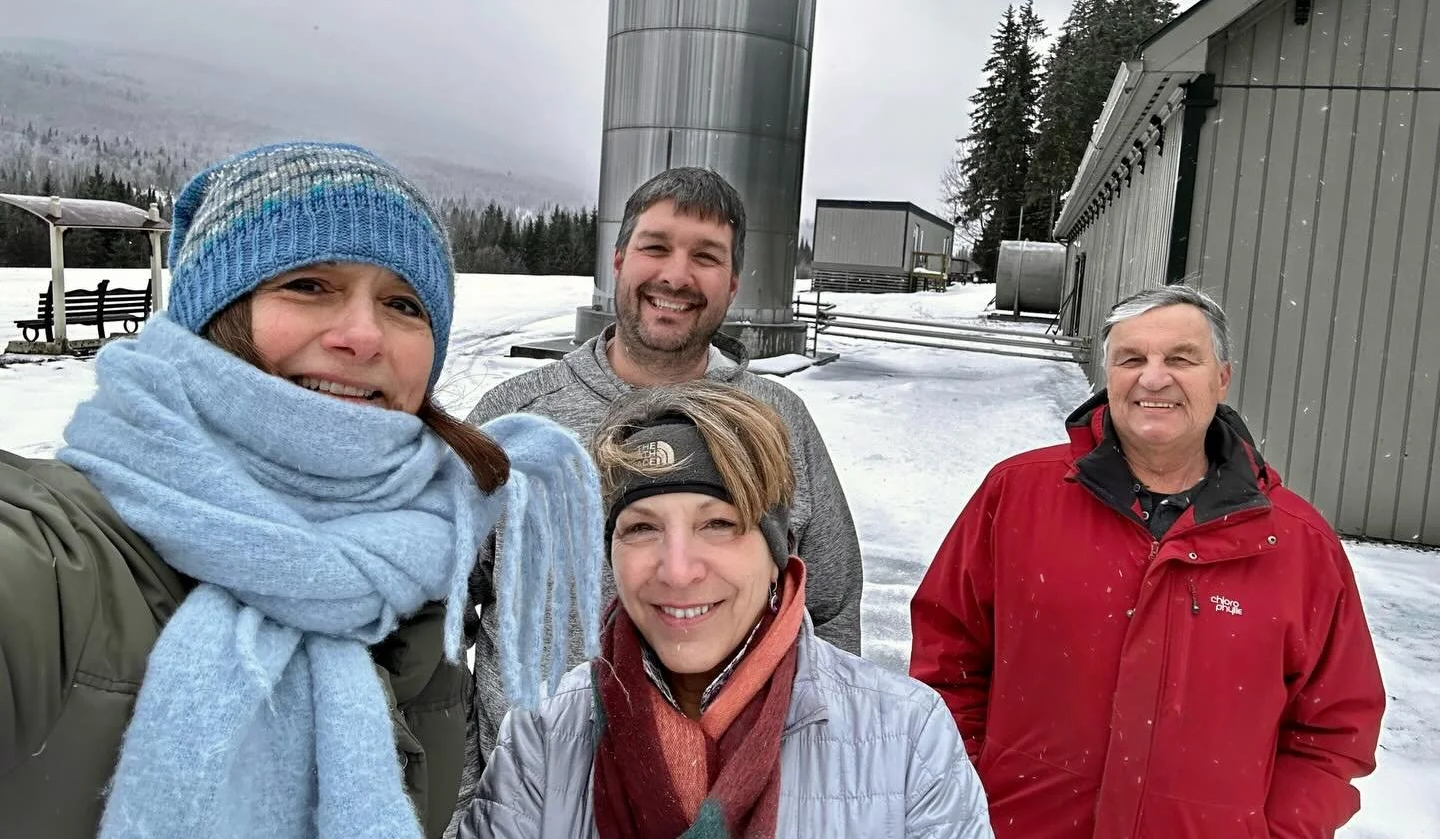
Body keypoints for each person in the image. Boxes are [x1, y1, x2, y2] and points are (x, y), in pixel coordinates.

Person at [0, 141, 602, 839]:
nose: (363, 336)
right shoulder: (47, 565)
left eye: (402, 303)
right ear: (209, 315)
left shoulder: (417, 570)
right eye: (309, 285)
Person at [909, 284, 1386, 839]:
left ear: (1222, 378)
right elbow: (947, 664)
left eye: (1181, 359)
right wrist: (967, 792)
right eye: (1131, 359)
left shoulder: (1296, 542)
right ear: (1108, 376)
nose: (1153, 379)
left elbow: (1333, 731)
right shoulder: (1017, 496)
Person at [459, 166, 862, 770]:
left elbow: (831, 616)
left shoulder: (778, 423)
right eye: (656, 247)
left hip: (725, 800)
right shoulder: (515, 420)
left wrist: (807, 780)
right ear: (619, 260)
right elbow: (436, 618)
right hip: (526, 794)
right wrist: (468, 790)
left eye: (705, 256)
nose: (676, 275)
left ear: (732, 284)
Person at [460, 381, 992, 838]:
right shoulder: (545, 733)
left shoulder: (907, 737)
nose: (678, 570)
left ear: (776, 553)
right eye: (641, 528)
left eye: (718, 524)